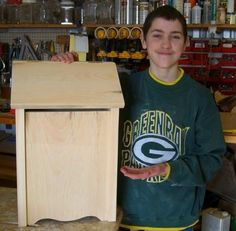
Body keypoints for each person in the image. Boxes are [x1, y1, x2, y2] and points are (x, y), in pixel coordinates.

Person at [51, 5, 226, 231]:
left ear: (186, 43)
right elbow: (73, 109)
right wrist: (65, 70)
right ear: (143, 41)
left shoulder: (200, 98)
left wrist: (167, 169)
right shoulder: (120, 87)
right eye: (157, 35)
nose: (165, 44)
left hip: (176, 219)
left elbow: (212, 159)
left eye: (175, 36)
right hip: (123, 216)